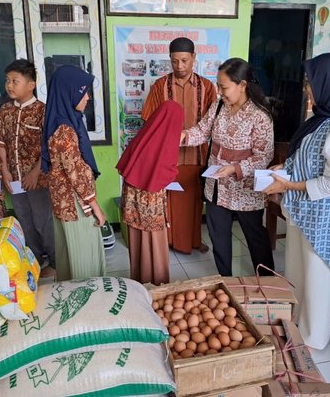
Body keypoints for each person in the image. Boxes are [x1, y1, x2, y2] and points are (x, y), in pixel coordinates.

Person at [263, 53, 330, 350]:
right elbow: (306, 159)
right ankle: (296, 324)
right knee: (297, 271)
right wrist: (282, 170)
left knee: (318, 279)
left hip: (326, 216)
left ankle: (313, 338)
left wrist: (289, 184)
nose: (306, 88)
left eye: (312, 82)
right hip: (306, 210)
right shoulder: (321, 118)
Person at [181, 58, 275, 277]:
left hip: (246, 188)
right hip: (216, 184)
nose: (219, 91)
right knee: (219, 236)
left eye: (224, 87)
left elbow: (264, 156)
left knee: (255, 237)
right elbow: (202, 131)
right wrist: (183, 135)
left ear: (242, 85)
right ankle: (226, 280)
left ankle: (269, 283)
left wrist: (234, 169)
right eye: (218, 86)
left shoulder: (260, 116)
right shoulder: (220, 105)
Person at [141, 37, 216, 255]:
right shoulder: (160, 86)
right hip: (167, 158)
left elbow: (213, 122)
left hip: (196, 156)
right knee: (168, 201)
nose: (180, 66)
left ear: (194, 57)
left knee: (193, 201)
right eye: (175, 61)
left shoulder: (207, 87)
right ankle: (170, 241)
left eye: (184, 60)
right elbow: (149, 120)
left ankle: (193, 241)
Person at [41, 65, 106, 281]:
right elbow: (75, 172)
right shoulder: (65, 130)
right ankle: (89, 302)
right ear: (69, 92)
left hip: (63, 201)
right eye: (83, 91)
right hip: (76, 203)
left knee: (70, 255)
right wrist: (95, 206)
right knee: (84, 258)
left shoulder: (61, 120)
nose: (87, 96)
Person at [0, 59, 55, 277]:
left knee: (42, 221)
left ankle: (55, 262)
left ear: (31, 85)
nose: (9, 85)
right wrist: (5, 169)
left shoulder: (43, 111)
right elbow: (0, 141)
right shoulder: (5, 111)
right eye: (7, 81)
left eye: (15, 81)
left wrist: (35, 172)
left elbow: (49, 146)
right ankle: (34, 260)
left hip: (37, 178)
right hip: (14, 178)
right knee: (24, 221)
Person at [117, 101, 184, 285]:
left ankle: (139, 282)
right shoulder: (165, 141)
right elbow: (167, 171)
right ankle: (157, 285)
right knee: (154, 244)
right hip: (150, 207)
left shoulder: (145, 137)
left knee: (139, 244)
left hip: (133, 203)